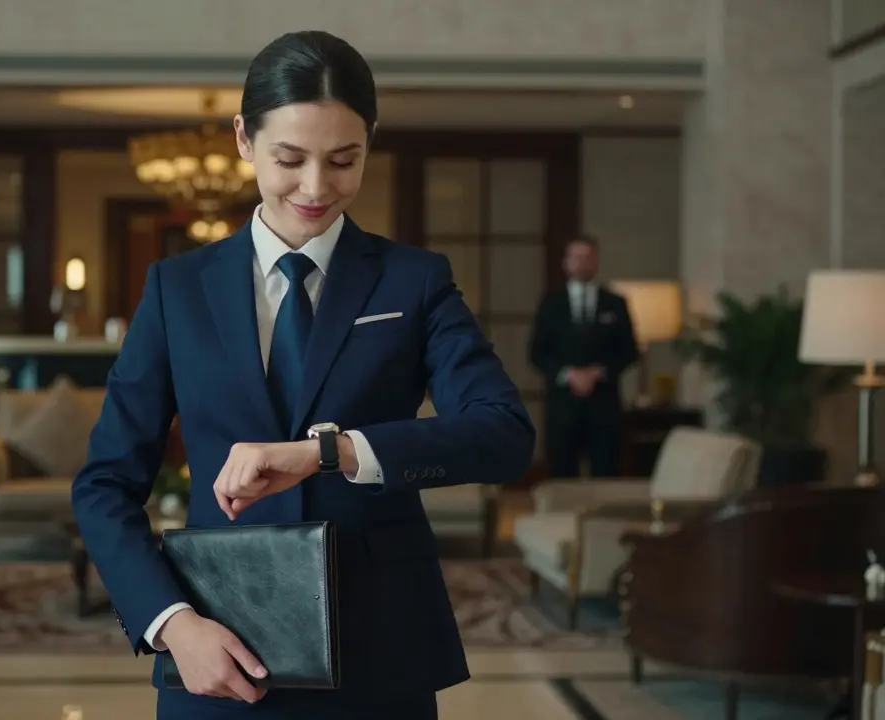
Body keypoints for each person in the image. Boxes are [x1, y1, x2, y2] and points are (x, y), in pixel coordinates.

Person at [71, 31, 535, 720]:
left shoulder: (414, 280)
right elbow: (105, 483)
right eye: (290, 159)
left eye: (344, 160)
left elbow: (504, 434)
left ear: (369, 144)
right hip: (217, 649)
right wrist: (172, 624)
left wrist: (332, 452)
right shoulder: (177, 289)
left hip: (379, 651)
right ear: (244, 138)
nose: (316, 188)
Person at [528, 236, 638, 479]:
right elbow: (537, 353)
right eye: (576, 257)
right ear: (566, 262)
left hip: (604, 404)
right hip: (562, 404)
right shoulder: (551, 304)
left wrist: (598, 372)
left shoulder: (615, 303)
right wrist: (569, 374)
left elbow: (629, 351)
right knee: (561, 473)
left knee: (606, 472)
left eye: (587, 257)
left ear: (596, 262)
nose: (582, 262)